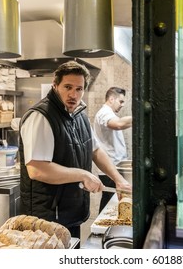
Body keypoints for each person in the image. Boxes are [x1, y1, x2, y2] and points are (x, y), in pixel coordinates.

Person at [19, 61, 131, 244]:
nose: (73, 94)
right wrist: (83, 174)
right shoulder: (41, 116)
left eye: (79, 89)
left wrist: (118, 179)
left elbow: (95, 150)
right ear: (55, 86)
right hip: (47, 216)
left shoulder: (79, 114)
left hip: (70, 211)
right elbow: (37, 169)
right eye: (68, 87)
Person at [93, 87, 132, 213]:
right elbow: (118, 124)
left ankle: (104, 227)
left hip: (114, 166)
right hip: (109, 167)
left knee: (112, 201)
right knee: (109, 202)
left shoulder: (109, 113)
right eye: (121, 101)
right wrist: (140, 116)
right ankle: (102, 229)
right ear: (111, 99)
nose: (122, 105)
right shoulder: (104, 112)